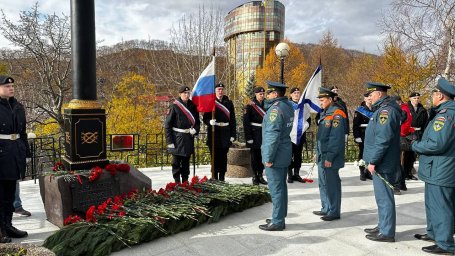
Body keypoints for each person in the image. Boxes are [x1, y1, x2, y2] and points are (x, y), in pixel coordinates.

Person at [412, 77, 455, 255]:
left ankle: (445, 244)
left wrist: (414, 145)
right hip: (435, 168)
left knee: (441, 206)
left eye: (434, 94)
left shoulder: (446, 115)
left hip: (441, 168)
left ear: (441, 95)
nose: (432, 97)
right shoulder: (443, 112)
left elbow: (437, 144)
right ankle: (433, 233)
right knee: (432, 204)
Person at [362, 82, 401, 243]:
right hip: (380, 161)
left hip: (382, 162)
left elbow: (383, 139)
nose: (369, 97)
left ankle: (387, 232)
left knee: (385, 198)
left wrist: (373, 160)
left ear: (379, 93)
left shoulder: (386, 111)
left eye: (371, 94)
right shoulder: (381, 109)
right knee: (381, 197)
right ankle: (382, 225)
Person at [258, 81, 294, 231]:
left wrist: (268, 158)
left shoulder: (275, 110)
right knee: (281, 187)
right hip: (284, 152)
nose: (267, 96)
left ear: (275, 94)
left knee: (276, 189)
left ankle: (278, 221)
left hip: (276, 155)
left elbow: (272, 136)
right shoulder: (287, 106)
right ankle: (279, 216)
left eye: (269, 93)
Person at [0, 76, 29, 243]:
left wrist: (26, 154)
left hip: (15, 151)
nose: (11, 88)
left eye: (12, 86)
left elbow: (23, 132)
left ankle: (8, 225)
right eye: (6, 86)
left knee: (10, 193)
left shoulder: (18, 107)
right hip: (2, 152)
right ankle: (1, 229)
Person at [313, 87, 347, 221]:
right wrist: (317, 152)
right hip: (323, 155)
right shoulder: (325, 113)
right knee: (323, 182)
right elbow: (322, 137)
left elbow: (335, 138)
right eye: (320, 100)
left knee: (332, 183)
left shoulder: (337, 114)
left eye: (322, 100)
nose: (320, 103)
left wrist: (330, 157)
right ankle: (326, 207)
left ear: (331, 99)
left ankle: (334, 210)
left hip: (330, 157)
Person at [164, 85, 200, 183]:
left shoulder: (193, 106)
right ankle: (176, 183)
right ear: (180, 94)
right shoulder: (174, 106)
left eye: (188, 93)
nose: (186, 95)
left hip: (188, 138)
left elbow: (197, 122)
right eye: (184, 93)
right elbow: (167, 125)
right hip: (177, 139)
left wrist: (195, 130)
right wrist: (169, 141)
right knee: (176, 163)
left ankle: (185, 182)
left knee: (186, 163)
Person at [203, 83, 236, 181]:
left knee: (223, 158)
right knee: (215, 157)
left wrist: (232, 135)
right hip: (214, 133)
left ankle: (222, 178)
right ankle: (214, 177)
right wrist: (209, 122)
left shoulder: (229, 103)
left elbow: (233, 120)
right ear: (215, 91)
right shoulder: (211, 102)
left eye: (222, 89)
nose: (220, 91)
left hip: (225, 133)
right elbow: (205, 118)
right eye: (218, 89)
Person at [244, 86, 267, 185]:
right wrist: (248, 137)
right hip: (254, 133)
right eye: (260, 94)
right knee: (254, 156)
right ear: (256, 94)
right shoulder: (249, 105)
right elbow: (246, 122)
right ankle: (254, 176)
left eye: (263, 94)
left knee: (262, 156)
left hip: (264, 133)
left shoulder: (267, 104)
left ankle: (261, 175)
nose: (262, 96)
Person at [403, 92, 428, 180]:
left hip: (419, 133)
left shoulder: (422, 109)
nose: (416, 100)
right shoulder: (405, 108)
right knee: (407, 154)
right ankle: (404, 173)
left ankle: (409, 172)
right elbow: (402, 122)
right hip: (408, 134)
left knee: (413, 155)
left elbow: (425, 123)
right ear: (410, 98)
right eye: (414, 98)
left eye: (417, 98)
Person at [394, 95, 414, 194]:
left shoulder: (403, 110)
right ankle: (402, 184)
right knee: (399, 163)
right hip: (402, 137)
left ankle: (397, 186)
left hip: (400, 137)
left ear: (398, 102)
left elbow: (398, 122)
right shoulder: (405, 108)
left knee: (397, 163)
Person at [352, 92, 374, 181]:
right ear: (364, 99)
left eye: (370, 96)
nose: (369, 98)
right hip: (363, 134)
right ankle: (362, 172)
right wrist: (357, 136)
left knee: (372, 154)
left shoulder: (375, 109)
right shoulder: (360, 110)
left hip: (373, 135)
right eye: (367, 97)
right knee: (362, 154)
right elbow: (355, 125)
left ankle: (369, 172)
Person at [287, 87, 307, 183]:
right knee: (289, 155)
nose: (296, 94)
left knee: (298, 155)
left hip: (300, 134)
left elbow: (308, 120)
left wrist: (304, 127)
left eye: (298, 93)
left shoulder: (303, 105)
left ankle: (297, 174)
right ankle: (290, 174)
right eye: (294, 93)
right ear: (290, 95)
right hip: (290, 135)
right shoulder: (287, 105)